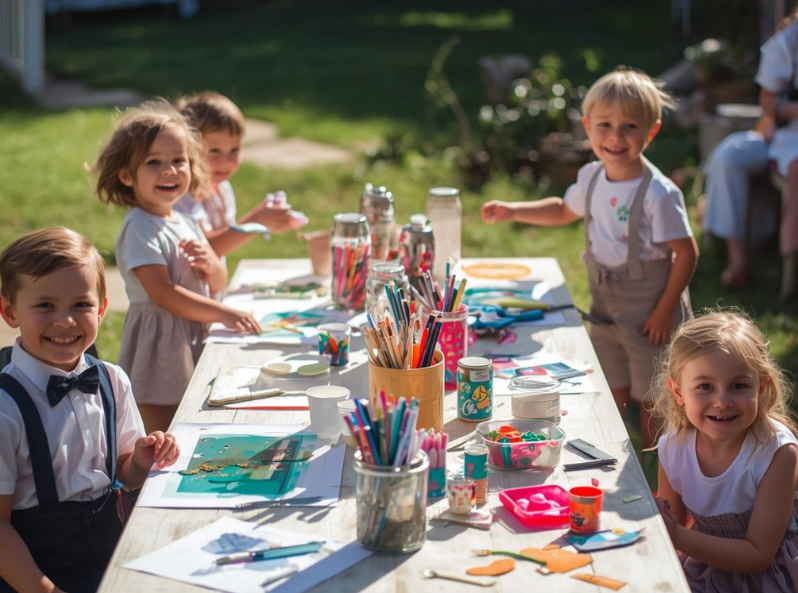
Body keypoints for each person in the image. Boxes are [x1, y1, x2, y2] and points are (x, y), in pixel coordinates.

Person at [481, 68, 698, 449]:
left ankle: (656, 461)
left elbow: (686, 252)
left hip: (650, 313)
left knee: (653, 398)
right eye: (605, 125)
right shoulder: (591, 177)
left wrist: (665, 311)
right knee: (607, 380)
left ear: (651, 131)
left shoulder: (658, 193)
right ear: (587, 126)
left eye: (630, 126)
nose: (615, 136)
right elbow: (563, 211)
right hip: (606, 309)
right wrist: (514, 209)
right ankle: (609, 445)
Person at [0, 227, 181, 593]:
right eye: (45, 305)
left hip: (109, 552)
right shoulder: (5, 408)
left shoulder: (112, 380)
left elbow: (123, 475)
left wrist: (141, 461)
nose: (65, 320)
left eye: (80, 305)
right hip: (34, 572)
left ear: (100, 309)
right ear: (9, 311)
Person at [93, 101, 262, 434]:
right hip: (161, 350)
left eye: (178, 160)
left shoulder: (184, 220)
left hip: (193, 336)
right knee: (163, 435)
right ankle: (139, 487)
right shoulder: (140, 227)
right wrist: (224, 313)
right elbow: (163, 295)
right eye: (153, 162)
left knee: (195, 425)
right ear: (126, 175)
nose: (169, 170)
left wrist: (210, 262)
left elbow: (217, 278)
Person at [653, 310, 798, 592]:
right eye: (705, 386)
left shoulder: (778, 453)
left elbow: (758, 555)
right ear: (678, 391)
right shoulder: (673, 448)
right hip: (705, 568)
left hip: (772, 577)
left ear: (761, 387)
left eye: (738, 386)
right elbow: (674, 522)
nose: (722, 401)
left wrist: (676, 536)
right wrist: (662, 520)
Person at [703, 5, 798, 295]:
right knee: (728, 154)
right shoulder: (790, 41)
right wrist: (787, 111)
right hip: (786, 134)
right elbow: (768, 101)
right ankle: (737, 261)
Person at [174, 91, 305, 264]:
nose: (226, 161)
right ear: (188, 148)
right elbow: (208, 250)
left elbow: (227, 237)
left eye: (234, 150)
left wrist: (262, 218)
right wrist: (255, 222)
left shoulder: (222, 187)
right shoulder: (183, 195)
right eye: (215, 151)